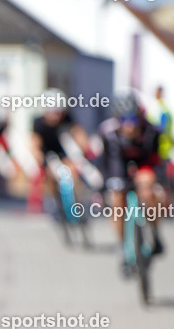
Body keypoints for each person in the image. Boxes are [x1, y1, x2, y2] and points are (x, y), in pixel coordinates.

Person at [100, 94, 166, 265]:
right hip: (119, 165)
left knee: (147, 190)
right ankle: (122, 244)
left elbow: (157, 161)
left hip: (144, 165)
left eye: (133, 119)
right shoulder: (109, 134)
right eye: (124, 120)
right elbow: (107, 163)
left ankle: (154, 231)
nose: (129, 125)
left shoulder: (152, 132)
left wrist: (157, 183)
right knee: (117, 201)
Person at [30, 88, 90, 217]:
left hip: (64, 153)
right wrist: (38, 156)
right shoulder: (38, 123)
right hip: (48, 154)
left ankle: (78, 202)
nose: (56, 116)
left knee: (73, 172)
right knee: (50, 175)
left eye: (59, 112)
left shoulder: (67, 119)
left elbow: (79, 134)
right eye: (53, 112)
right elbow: (34, 143)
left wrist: (83, 148)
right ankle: (53, 201)